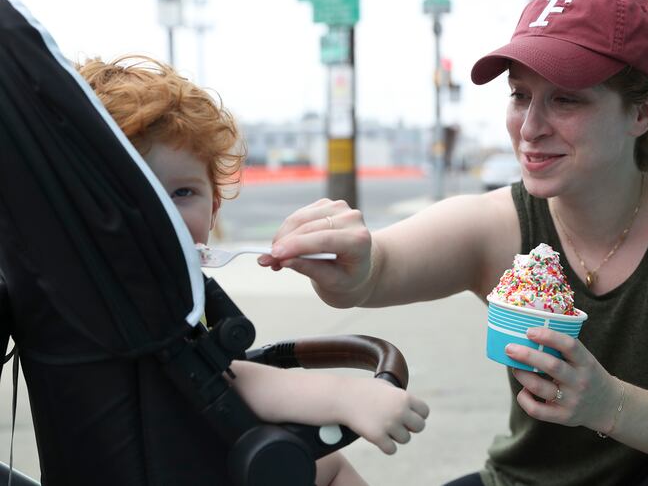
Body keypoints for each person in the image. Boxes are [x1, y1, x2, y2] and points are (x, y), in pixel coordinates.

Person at [258, 0, 648, 486]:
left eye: (566, 100)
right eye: (520, 95)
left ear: (643, 111)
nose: (530, 127)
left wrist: (607, 404)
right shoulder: (504, 221)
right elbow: (379, 267)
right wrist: (351, 266)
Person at [77, 55, 429, 486]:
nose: (164, 214)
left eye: (183, 192)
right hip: (172, 464)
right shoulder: (123, 302)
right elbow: (224, 381)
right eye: (136, 193)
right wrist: (346, 396)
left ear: (213, 208)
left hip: (175, 453)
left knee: (327, 467)